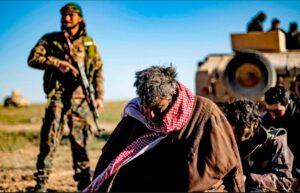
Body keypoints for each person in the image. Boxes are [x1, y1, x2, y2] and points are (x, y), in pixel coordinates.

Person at [83, 65, 245, 192]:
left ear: (173, 96)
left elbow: (231, 164)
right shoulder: (136, 115)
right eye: (146, 107)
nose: (151, 116)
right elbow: (110, 159)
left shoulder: (205, 113)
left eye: (158, 108)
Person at [27, 2, 104, 192]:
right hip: (58, 97)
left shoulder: (89, 44)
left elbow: (98, 70)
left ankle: (84, 183)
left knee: (81, 142)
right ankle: (42, 182)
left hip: (80, 99)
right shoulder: (51, 40)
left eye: (71, 15)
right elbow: (33, 59)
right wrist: (56, 63)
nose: (66, 18)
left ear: (80, 18)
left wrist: (99, 96)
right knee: (50, 139)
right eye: (64, 15)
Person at [223, 99, 294, 192]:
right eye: (231, 127)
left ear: (255, 124)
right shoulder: (227, 142)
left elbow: (286, 181)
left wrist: (249, 179)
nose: (234, 133)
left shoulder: (275, 144)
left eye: (240, 127)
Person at [261, 86, 300, 185]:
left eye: (277, 111)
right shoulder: (266, 119)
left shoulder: (298, 116)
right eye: (269, 110)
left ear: (287, 104)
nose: (273, 115)